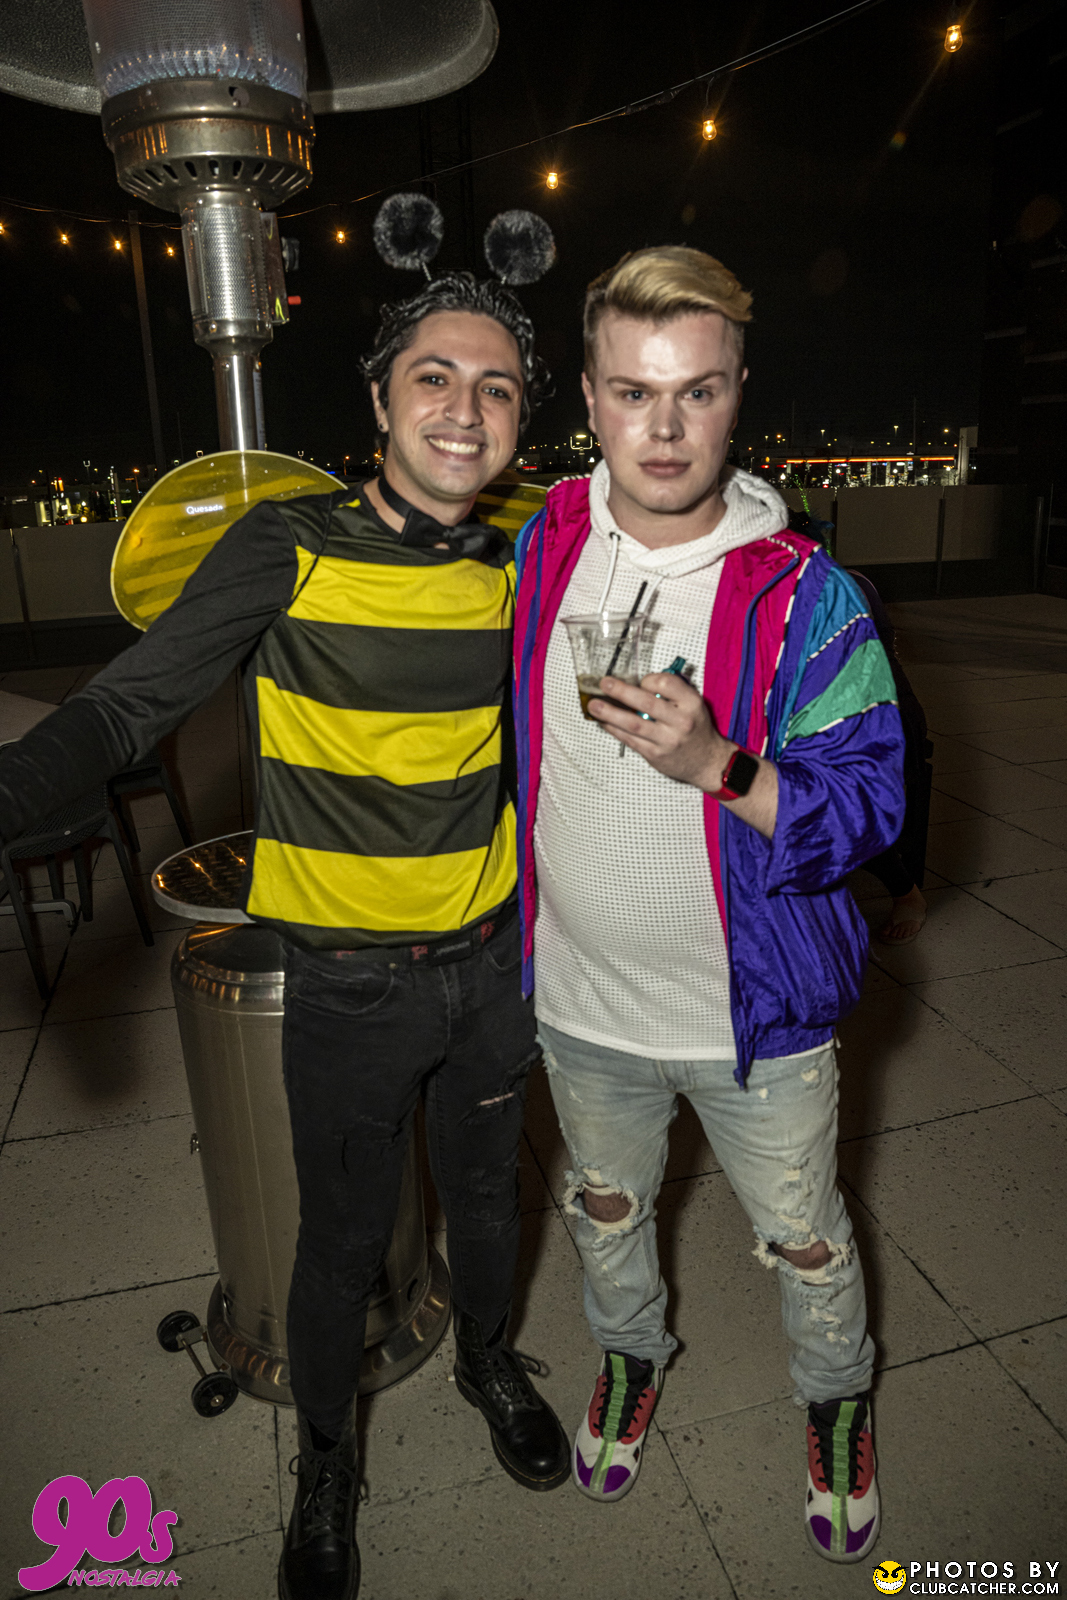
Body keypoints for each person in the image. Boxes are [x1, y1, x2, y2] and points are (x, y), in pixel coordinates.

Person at [0, 273, 570, 1600]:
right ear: (379, 399)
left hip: (493, 964)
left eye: (495, 387)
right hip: (349, 986)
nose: (465, 408)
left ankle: (488, 1360)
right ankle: (326, 1463)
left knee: (492, 1204)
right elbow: (124, 708)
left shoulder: (523, 558)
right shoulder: (291, 545)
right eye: (434, 376)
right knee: (339, 1247)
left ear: (518, 421)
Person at [510, 247, 905, 1563]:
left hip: (758, 1016)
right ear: (589, 397)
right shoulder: (545, 544)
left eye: (697, 391)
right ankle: (631, 1357)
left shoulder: (808, 597)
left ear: (739, 394)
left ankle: (837, 1400)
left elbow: (871, 807)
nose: (665, 428)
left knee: (806, 1240)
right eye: (634, 393)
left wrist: (719, 765)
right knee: (605, 1215)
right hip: (581, 1004)